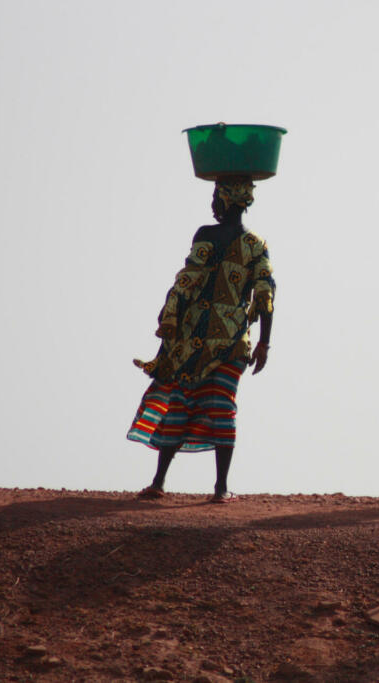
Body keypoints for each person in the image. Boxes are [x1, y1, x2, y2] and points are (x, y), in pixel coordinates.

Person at [127, 177, 275, 503]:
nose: (212, 203)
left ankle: (172, 483)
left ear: (224, 199)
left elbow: (186, 284)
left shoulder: (209, 235)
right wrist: (264, 342)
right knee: (210, 405)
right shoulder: (255, 244)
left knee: (189, 403)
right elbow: (265, 293)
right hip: (219, 341)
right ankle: (206, 488)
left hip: (203, 339)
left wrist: (169, 324)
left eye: (215, 197)